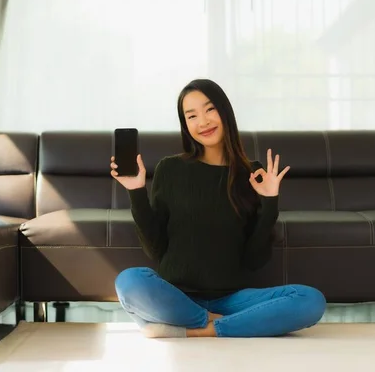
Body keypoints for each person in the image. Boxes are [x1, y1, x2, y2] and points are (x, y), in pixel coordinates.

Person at [109, 78, 326, 339]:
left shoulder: (253, 173)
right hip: (177, 295)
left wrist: (270, 203)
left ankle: (198, 330)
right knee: (129, 281)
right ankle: (219, 322)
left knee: (310, 300)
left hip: (233, 299)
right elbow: (155, 249)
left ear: (225, 112)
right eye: (192, 116)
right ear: (185, 124)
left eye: (210, 109)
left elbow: (254, 260)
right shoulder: (170, 169)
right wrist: (136, 192)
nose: (203, 122)